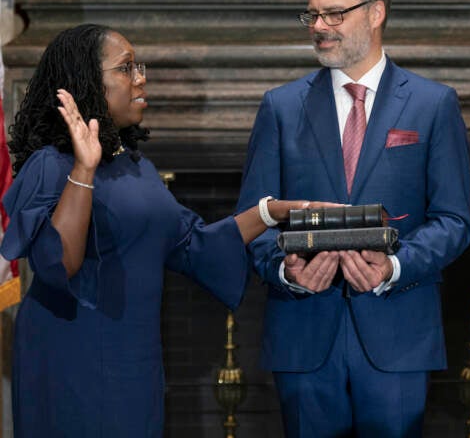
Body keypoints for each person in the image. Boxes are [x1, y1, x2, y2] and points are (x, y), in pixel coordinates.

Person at [0, 24, 328, 438]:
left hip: (134, 362)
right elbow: (59, 263)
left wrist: (271, 211)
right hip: (70, 355)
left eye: (139, 66)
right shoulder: (52, 165)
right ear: (87, 83)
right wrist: (84, 168)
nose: (141, 77)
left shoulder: (138, 168)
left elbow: (193, 245)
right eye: (125, 68)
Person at [236, 0, 470, 437]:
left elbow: (454, 220)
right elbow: (253, 220)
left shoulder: (433, 104)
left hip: (399, 335)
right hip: (304, 336)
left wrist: (395, 266)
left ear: (376, 12)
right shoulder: (280, 108)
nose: (319, 25)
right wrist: (287, 270)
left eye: (334, 13)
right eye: (313, 14)